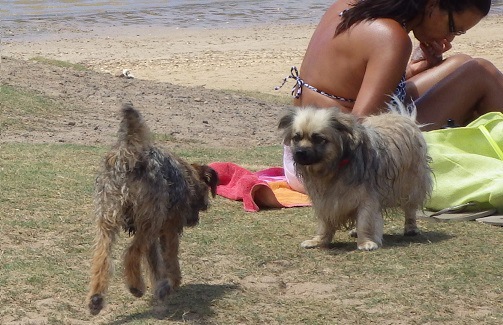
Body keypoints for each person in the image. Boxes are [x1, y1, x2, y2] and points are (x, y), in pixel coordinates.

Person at [278, 0, 503, 193]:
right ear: (433, 4)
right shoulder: (391, 37)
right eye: (454, 28)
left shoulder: (352, 6)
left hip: (298, 156)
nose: (450, 38)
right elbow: (362, 127)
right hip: (327, 163)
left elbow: (351, 87)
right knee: (480, 73)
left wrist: (413, 70)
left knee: (461, 63)